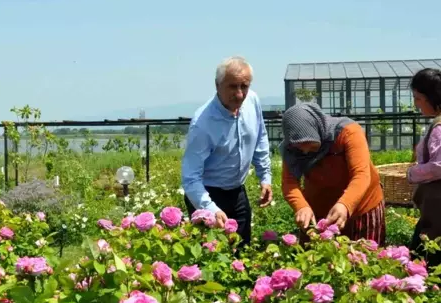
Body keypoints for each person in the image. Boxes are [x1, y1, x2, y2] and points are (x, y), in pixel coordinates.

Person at [181, 56, 273, 246]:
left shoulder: (252, 101)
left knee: (242, 252)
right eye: (232, 87)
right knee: (211, 259)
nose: (239, 94)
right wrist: (211, 209)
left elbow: (260, 136)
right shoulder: (202, 123)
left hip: (238, 191)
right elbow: (190, 178)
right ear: (217, 85)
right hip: (207, 193)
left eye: (244, 86)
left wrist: (265, 177)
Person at [280, 102, 385, 244]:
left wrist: (345, 204)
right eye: (299, 146)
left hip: (362, 206)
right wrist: (301, 206)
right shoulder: (291, 148)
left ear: (316, 129)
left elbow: (361, 175)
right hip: (320, 210)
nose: (304, 151)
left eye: (309, 143)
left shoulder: (348, 132)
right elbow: (289, 182)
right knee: (319, 259)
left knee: (363, 258)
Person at [407, 68, 441, 266]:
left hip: (437, 205)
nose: (415, 103)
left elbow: (438, 166)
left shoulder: (438, 128)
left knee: (424, 257)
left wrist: (412, 173)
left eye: (418, 98)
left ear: (431, 97)